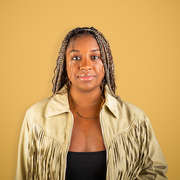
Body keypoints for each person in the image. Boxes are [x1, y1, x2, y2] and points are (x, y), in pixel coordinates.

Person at [15, 27, 168, 180]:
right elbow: (24, 174)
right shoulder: (37, 117)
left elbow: (156, 173)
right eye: (76, 58)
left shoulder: (135, 119)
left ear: (105, 63)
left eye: (94, 57)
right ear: (65, 64)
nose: (85, 65)